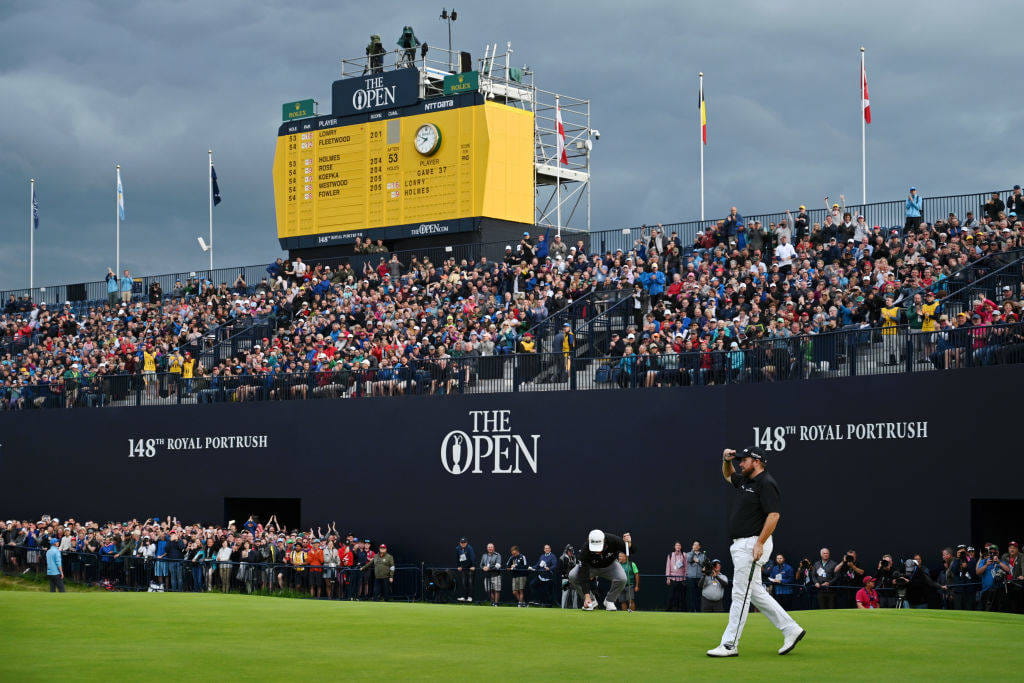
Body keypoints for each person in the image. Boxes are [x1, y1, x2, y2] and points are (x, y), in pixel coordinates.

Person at [707, 447, 804, 658]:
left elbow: (774, 515)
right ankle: (791, 629)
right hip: (743, 545)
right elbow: (728, 474)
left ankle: (730, 644)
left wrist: (759, 543)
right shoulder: (745, 481)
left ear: (757, 461)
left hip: (753, 544)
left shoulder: (767, 483)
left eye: (744, 460)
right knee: (756, 593)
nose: (740, 464)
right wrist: (725, 460)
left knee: (740, 595)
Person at [569, 530, 627, 611]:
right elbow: (583, 573)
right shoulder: (585, 550)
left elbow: (632, 550)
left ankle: (609, 601)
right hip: (591, 567)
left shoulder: (613, 540)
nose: (597, 551)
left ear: (604, 541)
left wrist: (629, 543)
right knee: (572, 576)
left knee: (622, 578)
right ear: (589, 541)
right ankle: (591, 601)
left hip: (610, 565)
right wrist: (586, 595)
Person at [684, 541, 706, 612]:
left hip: (699, 577)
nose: (696, 546)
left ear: (699, 547)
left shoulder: (703, 555)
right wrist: (693, 552)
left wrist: (697, 560)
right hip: (691, 577)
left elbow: (703, 563)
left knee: (699, 595)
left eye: (697, 545)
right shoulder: (688, 554)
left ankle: (698, 610)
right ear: (692, 546)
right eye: (694, 545)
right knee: (691, 595)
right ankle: (691, 610)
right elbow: (689, 559)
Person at [665, 541, 687, 611]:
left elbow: (686, 567)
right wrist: (668, 578)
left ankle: (681, 610)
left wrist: (685, 577)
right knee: (671, 596)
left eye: (679, 545)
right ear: (674, 547)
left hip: (681, 579)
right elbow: (668, 567)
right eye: (676, 545)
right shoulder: (670, 555)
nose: (678, 546)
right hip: (672, 579)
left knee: (681, 597)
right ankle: (669, 610)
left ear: (681, 547)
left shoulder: (684, 555)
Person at [454, 537, 476, 602]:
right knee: (463, 583)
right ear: (460, 543)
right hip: (463, 568)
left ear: (466, 543)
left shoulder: (470, 548)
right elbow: (457, 558)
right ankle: (464, 597)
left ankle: (470, 597)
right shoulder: (458, 548)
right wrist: (458, 566)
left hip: (470, 568)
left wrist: (473, 566)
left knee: (470, 582)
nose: (463, 544)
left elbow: (473, 557)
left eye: (464, 543)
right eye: (461, 543)